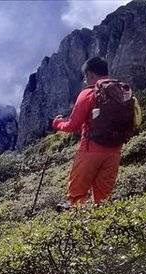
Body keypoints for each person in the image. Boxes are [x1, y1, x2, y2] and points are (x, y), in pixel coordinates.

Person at [52, 57, 140, 208]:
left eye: (85, 76)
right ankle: (102, 221)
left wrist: (57, 123)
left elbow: (73, 125)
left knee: (77, 194)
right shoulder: (121, 91)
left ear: (90, 74)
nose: (85, 80)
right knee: (103, 198)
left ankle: (79, 221)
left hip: (90, 150)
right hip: (115, 151)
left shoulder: (88, 93)